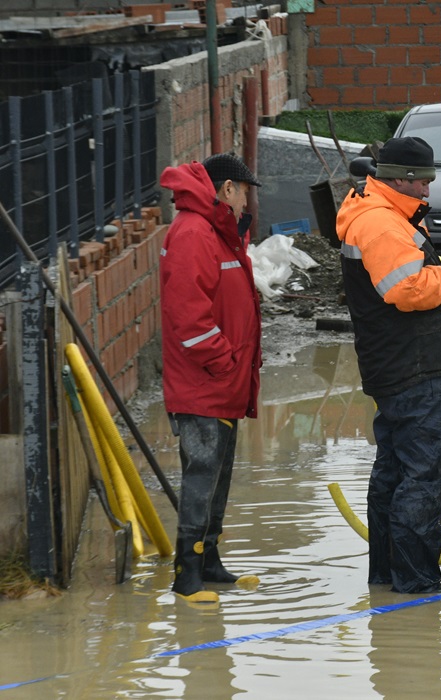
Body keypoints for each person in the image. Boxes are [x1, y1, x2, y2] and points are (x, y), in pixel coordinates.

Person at [336, 136, 441, 594]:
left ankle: (387, 578)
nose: (427, 192)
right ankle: (417, 584)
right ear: (398, 177)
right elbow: (407, 290)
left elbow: (406, 272)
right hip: (418, 366)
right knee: (425, 476)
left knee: (393, 474)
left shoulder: (378, 213)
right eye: (422, 182)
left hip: (394, 366)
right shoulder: (382, 222)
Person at [159, 152, 263, 604]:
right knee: (201, 475)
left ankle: (209, 559)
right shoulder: (194, 233)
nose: (247, 203)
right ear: (226, 190)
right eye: (244, 192)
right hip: (203, 385)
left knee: (218, 476)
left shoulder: (216, 231)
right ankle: (186, 574)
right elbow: (189, 317)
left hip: (221, 385)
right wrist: (225, 363)